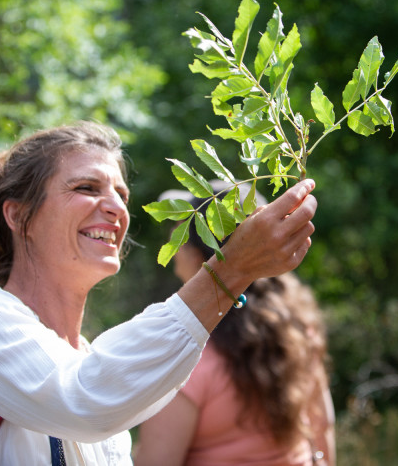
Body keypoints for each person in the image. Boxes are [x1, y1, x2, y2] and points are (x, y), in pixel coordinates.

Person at [0, 122, 317, 465]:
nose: (116, 207)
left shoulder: (98, 364)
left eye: (122, 195)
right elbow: (80, 398)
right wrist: (232, 269)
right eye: (86, 187)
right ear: (18, 216)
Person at [133, 182, 336, 466]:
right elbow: (322, 426)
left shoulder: (185, 359)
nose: (172, 241)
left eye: (181, 231)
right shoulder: (298, 330)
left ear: (198, 257)